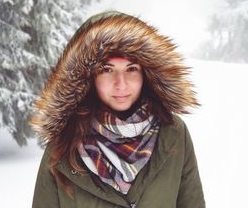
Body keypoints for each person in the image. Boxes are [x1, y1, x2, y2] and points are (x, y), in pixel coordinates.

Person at [30, 11, 206, 208]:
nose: (120, 84)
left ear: (147, 73)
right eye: (106, 70)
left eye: (131, 69)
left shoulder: (173, 133)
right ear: (87, 76)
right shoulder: (64, 141)